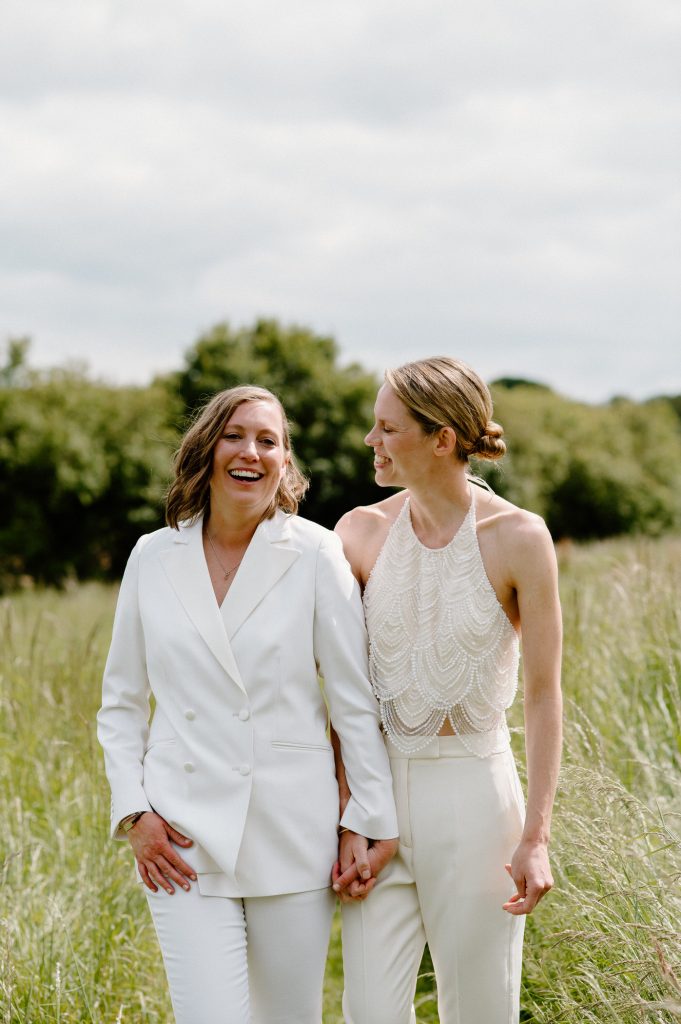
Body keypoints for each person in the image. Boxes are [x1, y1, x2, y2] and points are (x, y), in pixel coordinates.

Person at [97, 385, 398, 1024]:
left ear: (285, 463)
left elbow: (352, 700)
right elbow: (120, 703)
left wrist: (364, 816)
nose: (251, 453)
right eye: (236, 435)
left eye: (269, 441)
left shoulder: (316, 553)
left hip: (291, 830)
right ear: (207, 450)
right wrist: (134, 813)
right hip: (178, 839)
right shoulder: (153, 556)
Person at [332, 357, 563, 1024]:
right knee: (368, 1013)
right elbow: (341, 691)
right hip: (376, 806)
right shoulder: (357, 533)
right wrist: (347, 807)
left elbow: (544, 693)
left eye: (386, 428)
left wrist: (536, 836)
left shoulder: (518, 538)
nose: (371, 441)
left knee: (480, 1011)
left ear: (442, 439)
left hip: (474, 801)